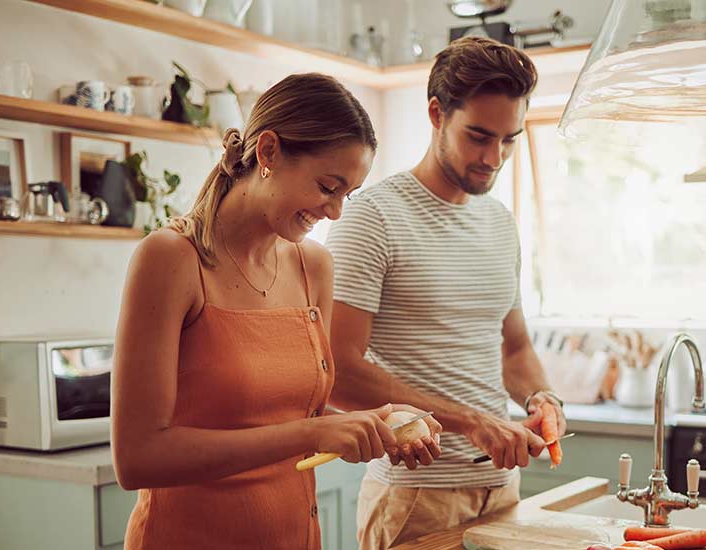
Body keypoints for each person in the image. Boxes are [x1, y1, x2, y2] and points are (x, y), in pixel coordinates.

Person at [111, 72, 441, 550]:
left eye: (346, 195)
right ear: (267, 152)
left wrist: (377, 422)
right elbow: (138, 457)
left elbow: (289, 411)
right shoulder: (170, 259)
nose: (335, 213)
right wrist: (316, 431)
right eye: (327, 186)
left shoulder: (313, 267)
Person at [325, 36, 568, 549]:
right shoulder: (373, 217)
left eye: (509, 139)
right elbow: (337, 372)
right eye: (478, 136)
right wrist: (473, 423)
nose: (493, 157)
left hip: (502, 492)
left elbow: (514, 347)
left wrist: (540, 396)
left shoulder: (500, 224)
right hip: (414, 497)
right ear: (437, 114)